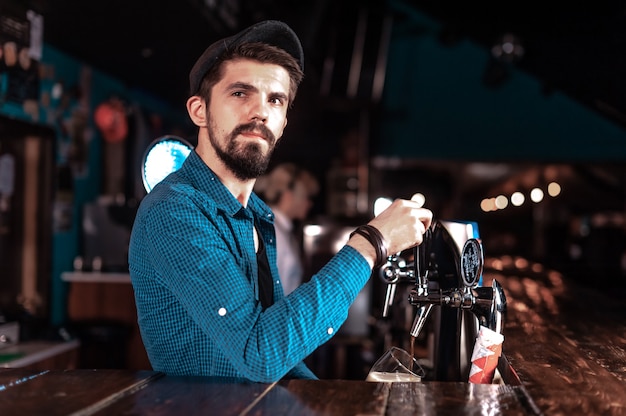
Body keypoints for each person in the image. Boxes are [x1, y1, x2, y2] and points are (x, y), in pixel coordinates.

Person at [128, 20, 432, 383]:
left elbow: (279, 354)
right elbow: (260, 354)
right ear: (199, 110)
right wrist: (370, 244)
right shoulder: (174, 209)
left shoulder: (256, 216)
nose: (260, 111)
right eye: (240, 93)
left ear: (284, 121)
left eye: (275, 99)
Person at [254, 163, 319, 295]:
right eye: (307, 197)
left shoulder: (282, 229)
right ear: (289, 196)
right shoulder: (274, 231)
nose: (310, 203)